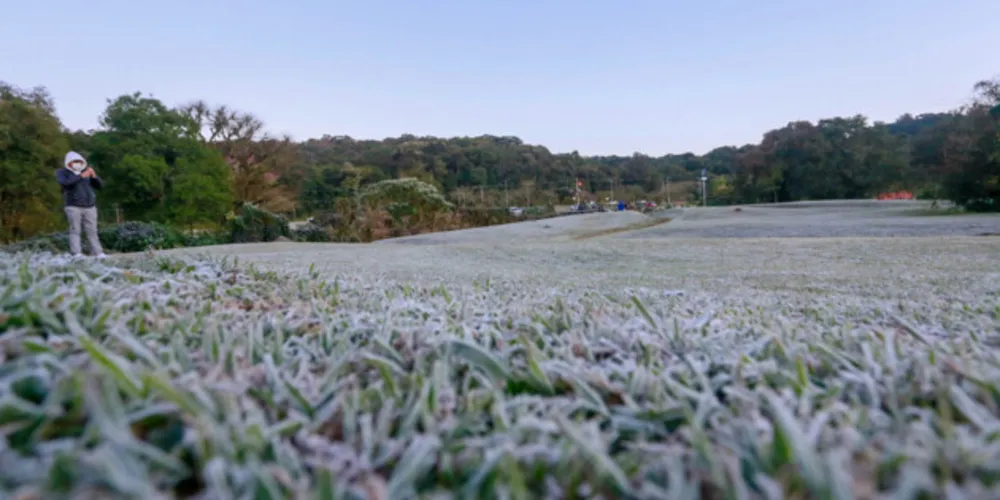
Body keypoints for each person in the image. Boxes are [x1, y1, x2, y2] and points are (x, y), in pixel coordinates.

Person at [55, 151, 105, 258]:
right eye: (74, 161)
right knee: (75, 230)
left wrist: (94, 176)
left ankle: (98, 252)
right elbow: (66, 183)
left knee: (92, 231)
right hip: (73, 206)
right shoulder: (62, 172)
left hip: (89, 206)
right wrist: (81, 176)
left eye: (79, 161)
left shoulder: (86, 172)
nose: (77, 163)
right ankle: (76, 253)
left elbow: (100, 186)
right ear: (69, 163)